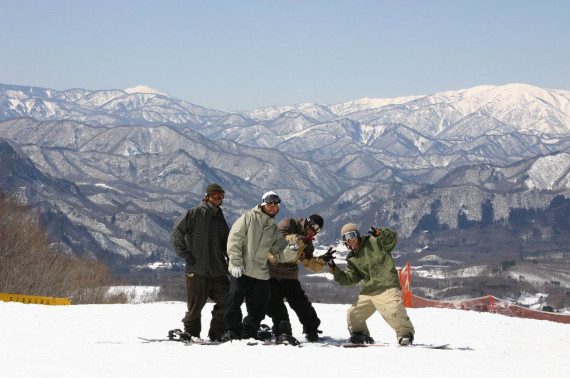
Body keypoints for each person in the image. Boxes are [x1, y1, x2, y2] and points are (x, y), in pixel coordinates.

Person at [222, 191, 303, 342]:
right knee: (233, 303)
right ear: (263, 203)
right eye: (269, 203)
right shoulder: (248, 218)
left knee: (258, 310)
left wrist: (292, 249)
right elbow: (234, 240)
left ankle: (248, 334)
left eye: (275, 204)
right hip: (242, 271)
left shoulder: (273, 230)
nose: (272, 207)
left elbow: (280, 254)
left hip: (260, 274)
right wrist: (236, 262)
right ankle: (232, 332)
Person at [328, 223, 415, 345]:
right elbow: (351, 279)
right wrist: (335, 271)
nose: (350, 240)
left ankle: (405, 334)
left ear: (357, 235)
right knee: (353, 314)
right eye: (345, 238)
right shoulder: (352, 258)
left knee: (394, 310)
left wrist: (382, 234)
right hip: (368, 292)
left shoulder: (374, 241)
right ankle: (360, 334)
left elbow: (391, 241)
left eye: (352, 235)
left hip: (386, 286)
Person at [169, 183, 230, 342]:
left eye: (221, 196)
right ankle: (191, 334)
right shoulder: (194, 213)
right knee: (195, 307)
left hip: (218, 270)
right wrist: (186, 255)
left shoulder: (220, 218)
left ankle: (217, 333)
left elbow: (227, 243)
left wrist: (232, 261)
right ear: (207, 196)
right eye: (215, 196)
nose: (218, 199)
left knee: (227, 301)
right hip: (197, 269)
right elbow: (176, 234)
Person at [267, 214, 335, 343]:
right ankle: (282, 330)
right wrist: (300, 239)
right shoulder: (288, 223)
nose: (314, 230)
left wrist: (322, 260)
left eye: (318, 230)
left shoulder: (308, 241)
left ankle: (311, 328)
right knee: (275, 303)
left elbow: (308, 262)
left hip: (289, 273)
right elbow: (278, 240)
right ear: (308, 222)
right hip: (271, 270)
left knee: (300, 302)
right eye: (314, 226)